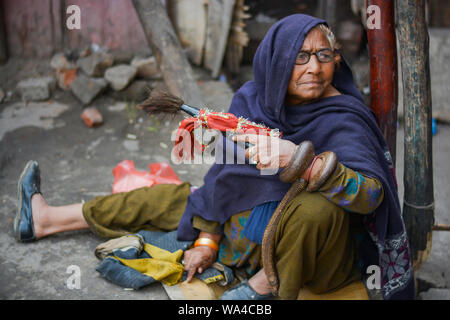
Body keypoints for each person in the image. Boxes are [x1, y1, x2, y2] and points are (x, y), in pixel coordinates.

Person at [13, 14, 415, 300]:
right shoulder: (253, 101)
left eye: (323, 55)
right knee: (171, 198)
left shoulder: (345, 116)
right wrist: (207, 238)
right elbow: (225, 178)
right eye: (300, 57)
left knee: (316, 209)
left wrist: (302, 162)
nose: (314, 68)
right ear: (276, 62)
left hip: (312, 253)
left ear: (336, 60)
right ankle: (48, 219)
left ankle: (263, 287)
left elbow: (371, 197)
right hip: (247, 234)